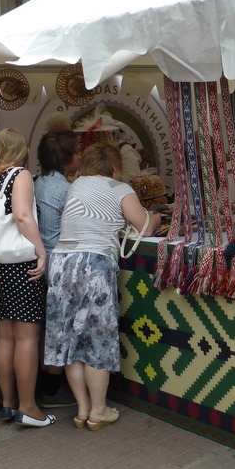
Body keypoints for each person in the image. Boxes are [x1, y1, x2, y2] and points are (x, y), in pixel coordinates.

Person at [45, 144, 159, 431]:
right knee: (96, 338)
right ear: (115, 167)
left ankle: (82, 409)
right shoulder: (120, 188)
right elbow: (143, 226)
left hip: (60, 264)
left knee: (69, 339)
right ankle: (98, 410)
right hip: (93, 264)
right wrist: (157, 216)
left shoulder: (76, 185)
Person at [0, 130, 51, 426]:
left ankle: (8, 402)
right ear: (24, 149)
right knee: (27, 338)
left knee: (5, 336)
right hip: (20, 266)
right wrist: (41, 250)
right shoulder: (20, 176)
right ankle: (29, 407)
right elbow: (22, 216)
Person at [35, 131, 80, 408]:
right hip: (59, 263)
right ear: (66, 160)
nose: (79, 156)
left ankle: (45, 382)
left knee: (43, 328)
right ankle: (53, 386)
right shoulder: (66, 190)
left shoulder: (37, 183)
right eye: (75, 153)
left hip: (38, 262)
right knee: (61, 327)